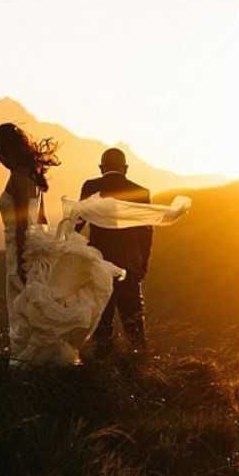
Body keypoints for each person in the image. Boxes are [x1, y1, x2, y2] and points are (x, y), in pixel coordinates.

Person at [0, 123, 123, 367]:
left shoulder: (18, 176)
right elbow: (40, 218)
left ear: (8, 149)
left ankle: (26, 364)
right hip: (33, 242)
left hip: (21, 246)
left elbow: (21, 224)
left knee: (23, 307)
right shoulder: (32, 172)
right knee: (32, 306)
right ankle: (36, 363)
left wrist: (21, 258)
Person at [79, 148, 153, 356]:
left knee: (102, 328)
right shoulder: (141, 192)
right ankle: (142, 371)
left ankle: (103, 375)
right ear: (126, 169)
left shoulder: (91, 186)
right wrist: (143, 265)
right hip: (128, 267)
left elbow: (78, 221)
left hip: (98, 265)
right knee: (135, 328)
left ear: (101, 168)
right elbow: (146, 233)